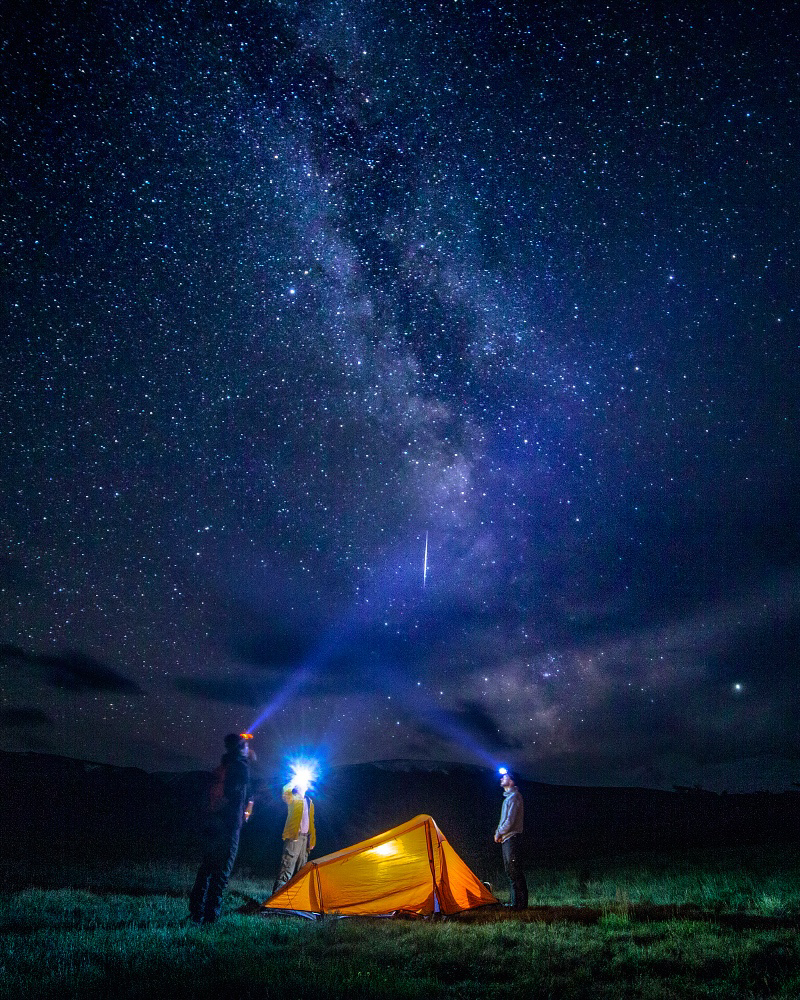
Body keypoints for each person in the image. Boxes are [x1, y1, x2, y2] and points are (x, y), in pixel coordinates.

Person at [189, 732, 254, 925]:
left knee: (207, 869)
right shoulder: (241, 767)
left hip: (213, 824)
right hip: (228, 826)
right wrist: (240, 816)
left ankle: (196, 912)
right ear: (241, 749)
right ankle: (210, 918)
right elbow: (234, 793)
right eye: (246, 746)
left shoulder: (222, 766)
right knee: (221, 873)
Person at [272, 779, 316, 893]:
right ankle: (276, 901)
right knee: (287, 867)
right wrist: (296, 778)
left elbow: (311, 822)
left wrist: (312, 841)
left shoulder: (309, 801)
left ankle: (294, 899)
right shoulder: (293, 798)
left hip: (305, 839)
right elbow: (285, 791)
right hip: (294, 837)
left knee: (301, 870)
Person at [494, 769, 528, 909]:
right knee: (510, 871)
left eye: (505, 777)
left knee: (514, 870)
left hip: (512, 838)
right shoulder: (509, 798)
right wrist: (500, 833)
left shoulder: (515, 798)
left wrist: (499, 833)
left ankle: (520, 905)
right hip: (507, 838)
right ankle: (516, 903)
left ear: (511, 781)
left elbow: (510, 821)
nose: (502, 778)